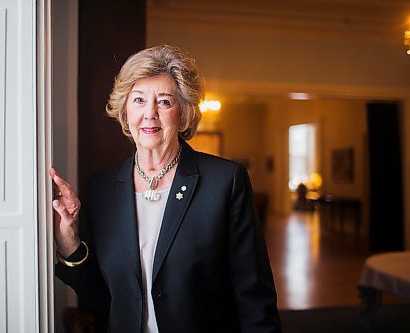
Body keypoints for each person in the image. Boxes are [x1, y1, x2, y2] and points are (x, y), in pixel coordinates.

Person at [50, 45, 281, 333]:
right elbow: (102, 297)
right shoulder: (102, 189)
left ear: (183, 113)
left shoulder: (225, 182)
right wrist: (69, 241)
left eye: (164, 102)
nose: (150, 113)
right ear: (124, 110)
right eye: (138, 100)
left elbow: (253, 296)